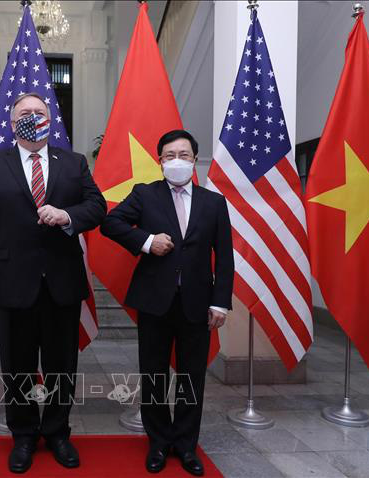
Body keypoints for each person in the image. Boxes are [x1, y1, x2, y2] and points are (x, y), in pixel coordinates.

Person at [0, 92, 106, 473]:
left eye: (39, 113)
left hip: (63, 282)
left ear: (51, 120)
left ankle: (58, 433)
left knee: (62, 366)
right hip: (12, 283)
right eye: (24, 114)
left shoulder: (74, 163)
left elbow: (98, 207)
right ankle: (23, 435)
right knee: (18, 367)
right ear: (12, 124)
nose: (32, 118)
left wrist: (66, 215)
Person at [100, 130, 233, 475]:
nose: (177, 161)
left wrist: (220, 303)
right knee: (153, 375)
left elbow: (226, 257)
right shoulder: (145, 195)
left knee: (192, 377)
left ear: (194, 160)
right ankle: (158, 442)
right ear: (160, 161)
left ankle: (187, 446)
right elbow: (110, 223)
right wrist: (146, 241)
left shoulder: (213, 202)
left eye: (184, 155)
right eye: (170, 155)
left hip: (197, 303)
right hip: (154, 302)